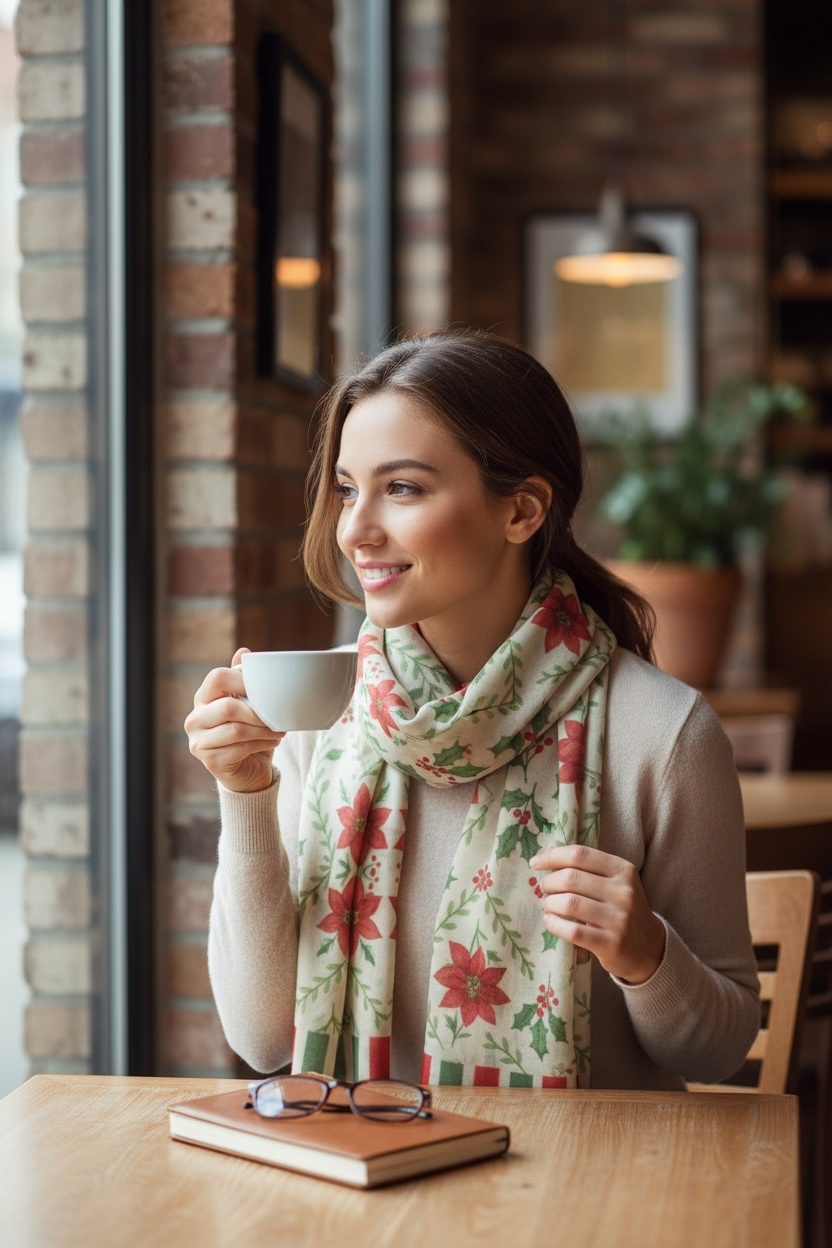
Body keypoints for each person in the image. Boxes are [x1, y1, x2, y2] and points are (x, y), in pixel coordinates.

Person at [186, 329, 759, 1091]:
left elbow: (719, 1050)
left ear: (521, 511)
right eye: (349, 489)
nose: (354, 530)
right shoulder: (321, 721)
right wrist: (246, 792)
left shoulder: (662, 734)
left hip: (585, 1194)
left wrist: (645, 953)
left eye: (404, 488)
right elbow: (261, 1041)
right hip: (367, 1180)